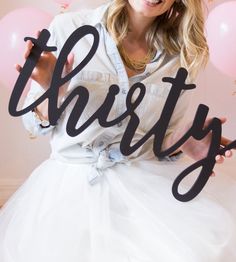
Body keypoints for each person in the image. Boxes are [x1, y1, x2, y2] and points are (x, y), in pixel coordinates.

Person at [0, 0, 236, 261]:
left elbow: (158, 140)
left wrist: (182, 140)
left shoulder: (179, 53)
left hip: (144, 189)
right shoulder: (69, 28)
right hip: (70, 189)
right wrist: (51, 87)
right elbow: (34, 124)